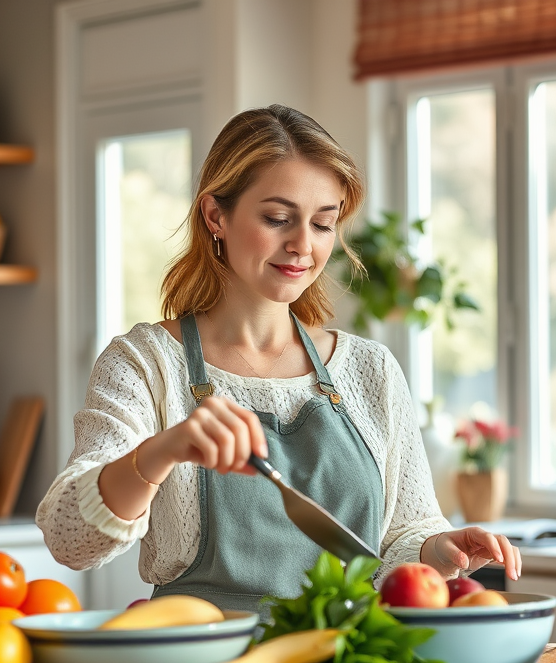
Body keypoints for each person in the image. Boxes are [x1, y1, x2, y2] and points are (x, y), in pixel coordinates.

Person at [36, 104, 522, 615]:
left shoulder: (369, 369)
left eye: (322, 224)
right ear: (215, 216)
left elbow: (402, 532)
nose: (302, 246)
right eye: (277, 218)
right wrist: (163, 451)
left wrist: (432, 549)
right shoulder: (145, 364)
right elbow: (70, 538)